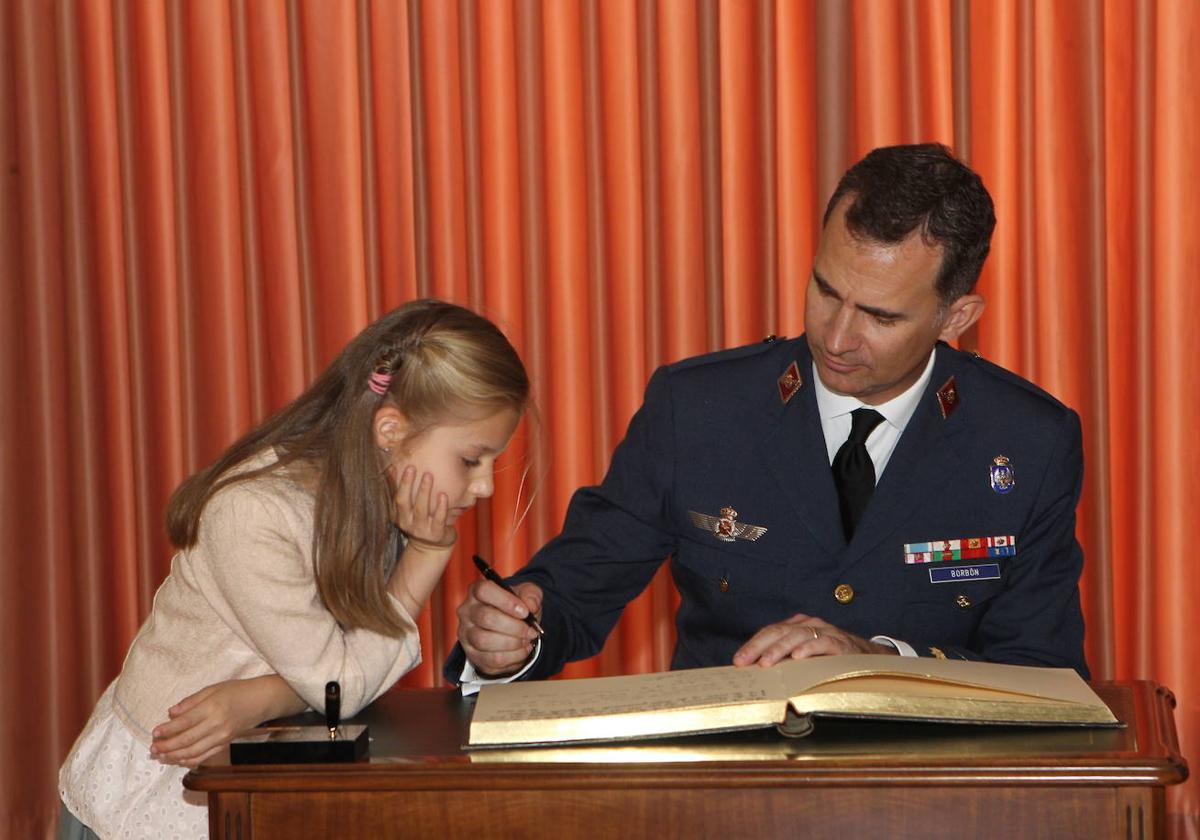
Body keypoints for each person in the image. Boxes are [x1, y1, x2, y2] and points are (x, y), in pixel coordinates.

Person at [446, 143, 1088, 693]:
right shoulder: (697, 410)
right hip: (723, 789)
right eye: (825, 291)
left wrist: (881, 665)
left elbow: (1043, 674)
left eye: (880, 317)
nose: (836, 338)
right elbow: (570, 592)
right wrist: (509, 633)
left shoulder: (1027, 442)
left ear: (956, 318)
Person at [58, 299, 528, 839]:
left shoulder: (376, 499)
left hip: (252, 776)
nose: (486, 486)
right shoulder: (255, 512)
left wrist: (267, 695)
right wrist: (426, 555)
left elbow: (346, 670)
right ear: (390, 429)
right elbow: (342, 681)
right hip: (152, 799)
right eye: (472, 459)